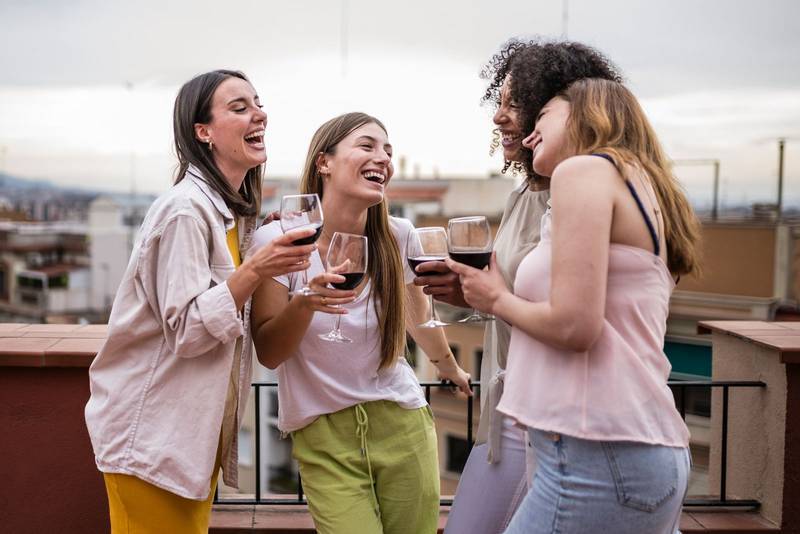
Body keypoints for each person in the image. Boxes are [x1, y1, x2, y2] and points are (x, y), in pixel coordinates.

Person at [448, 77, 701, 533]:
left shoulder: (583, 171)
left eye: (542, 116)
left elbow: (574, 326)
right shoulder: (646, 188)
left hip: (596, 455)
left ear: (585, 114)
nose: (528, 136)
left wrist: (497, 299)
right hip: (637, 449)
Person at [84, 69, 317, 534]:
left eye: (258, 102)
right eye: (239, 107)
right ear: (203, 132)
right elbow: (189, 333)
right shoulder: (184, 212)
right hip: (150, 443)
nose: (260, 114)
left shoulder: (228, 215)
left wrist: (258, 247)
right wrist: (257, 268)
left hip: (183, 443)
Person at [416, 40, 623, 534]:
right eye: (499, 102)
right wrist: (471, 295)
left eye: (515, 103)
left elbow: (577, 312)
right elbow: (521, 296)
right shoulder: (525, 193)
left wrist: (491, 298)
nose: (499, 118)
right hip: (510, 403)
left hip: (553, 415)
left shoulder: (583, 192)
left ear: (559, 110)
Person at [248, 112, 472, 534]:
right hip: (324, 437)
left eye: (388, 150)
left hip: (402, 423)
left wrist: (450, 369)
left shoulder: (398, 235)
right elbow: (270, 352)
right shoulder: (279, 242)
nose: (383, 158)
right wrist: (306, 303)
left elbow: (419, 318)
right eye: (367, 146)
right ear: (324, 162)